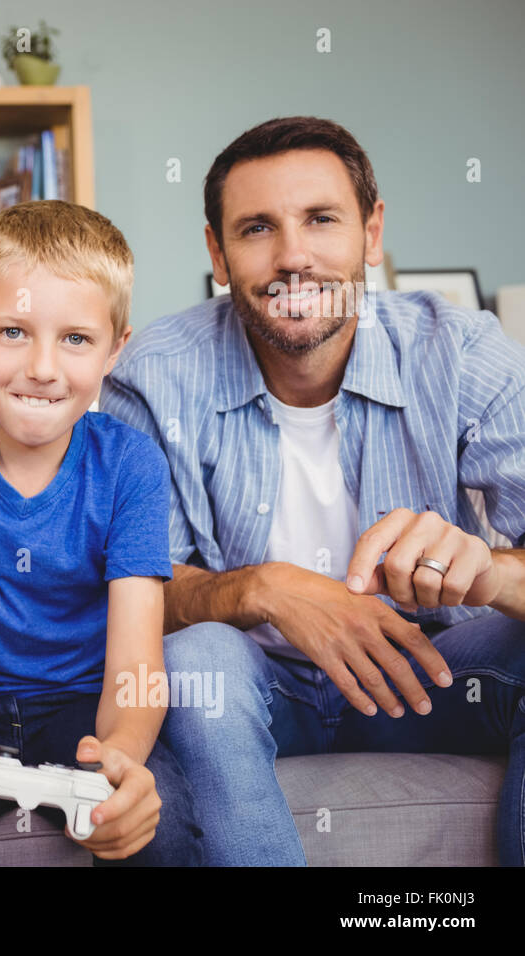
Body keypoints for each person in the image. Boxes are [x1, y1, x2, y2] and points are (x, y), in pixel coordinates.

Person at [100, 116, 525, 865]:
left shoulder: (461, 351)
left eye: (321, 220)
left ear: (372, 230)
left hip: (428, 674)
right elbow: (140, 590)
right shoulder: (153, 374)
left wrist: (490, 572)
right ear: (217, 252)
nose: (293, 257)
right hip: (257, 692)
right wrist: (266, 589)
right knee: (199, 654)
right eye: (258, 228)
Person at [0, 200, 259, 865]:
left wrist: (121, 754)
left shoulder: (131, 464)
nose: (42, 366)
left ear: (117, 348)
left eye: (76, 339)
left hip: (79, 706)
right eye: (12, 332)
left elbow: (137, 667)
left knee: (160, 827)